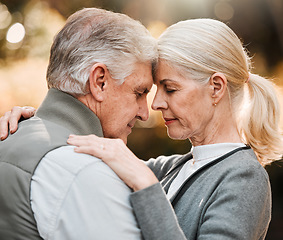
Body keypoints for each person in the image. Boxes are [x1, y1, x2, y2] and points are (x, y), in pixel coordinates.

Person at [1, 19, 283, 240]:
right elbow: (93, 152)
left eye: (170, 89)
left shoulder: (245, 179)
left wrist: (147, 187)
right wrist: (41, 121)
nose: (156, 104)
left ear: (216, 87)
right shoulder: (176, 167)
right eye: (155, 89)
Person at [0, 7, 160, 240]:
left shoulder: (12, 135)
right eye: (139, 92)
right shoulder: (84, 172)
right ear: (99, 81)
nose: (145, 113)